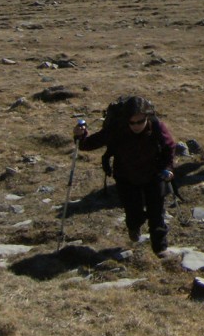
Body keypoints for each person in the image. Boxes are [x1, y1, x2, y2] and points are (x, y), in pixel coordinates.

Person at [74, 95, 176, 255]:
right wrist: (80, 136)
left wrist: (168, 168)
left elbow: (169, 147)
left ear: (147, 118)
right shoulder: (116, 129)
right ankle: (134, 226)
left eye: (140, 121)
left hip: (154, 175)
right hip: (126, 178)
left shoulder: (156, 127)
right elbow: (87, 144)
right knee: (133, 213)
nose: (136, 126)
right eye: (132, 122)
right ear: (125, 120)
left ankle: (160, 250)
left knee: (156, 214)